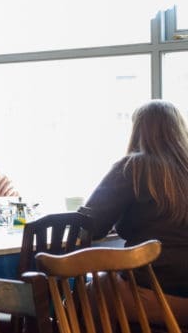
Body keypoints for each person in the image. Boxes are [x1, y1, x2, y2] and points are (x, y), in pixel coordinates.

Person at [78, 100, 188, 322]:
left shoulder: (134, 167)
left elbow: (90, 225)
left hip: (153, 292)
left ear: (138, 131)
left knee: (84, 294)